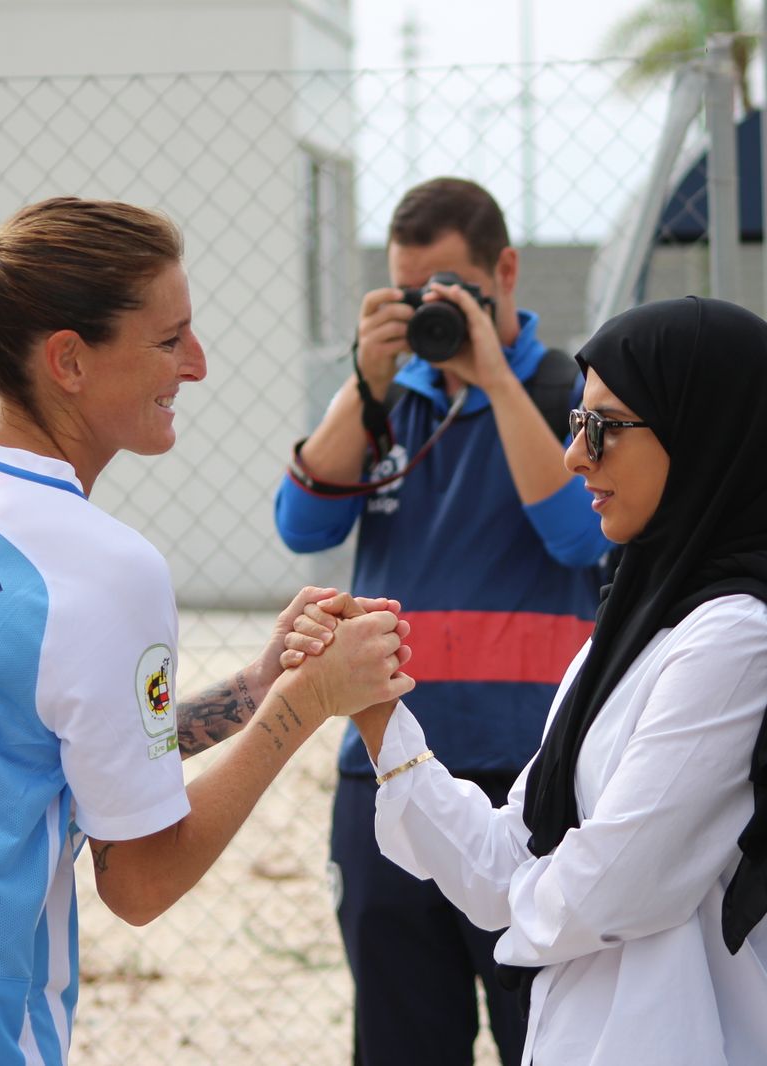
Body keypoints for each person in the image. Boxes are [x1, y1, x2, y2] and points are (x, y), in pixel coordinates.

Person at [0, 198, 413, 1064]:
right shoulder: (107, 567)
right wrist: (307, 704)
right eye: (170, 340)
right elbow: (140, 880)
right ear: (68, 360)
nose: (198, 366)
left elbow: (25, 753)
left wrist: (254, 689)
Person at [289, 296, 767, 1065]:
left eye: (605, 427)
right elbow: (506, 859)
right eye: (578, 424)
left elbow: (615, 887)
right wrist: (378, 712)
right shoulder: (635, 632)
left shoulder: (746, 636)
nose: (575, 456)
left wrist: (527, 901)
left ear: (705, 434)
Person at [273, 177, 609, 1065]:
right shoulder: (389, 401)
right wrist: (366, 380)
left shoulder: (567, 394)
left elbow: (581, 540)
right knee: (400, 1040)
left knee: (547, 1036)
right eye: (414, 292)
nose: (435, 311)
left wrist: (493, 379)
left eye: (454, 289)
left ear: (505, 271)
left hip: (532, 776)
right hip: (387, 775)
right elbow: (303, 525)